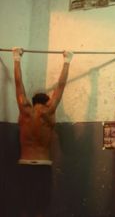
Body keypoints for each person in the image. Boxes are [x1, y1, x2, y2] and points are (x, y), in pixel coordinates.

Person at [12, 47, 73, 217]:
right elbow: (60, 87)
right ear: (47, 102)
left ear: (33, 101)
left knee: (24, 208)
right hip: (42, 166)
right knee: (40, 209)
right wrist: (67, 60)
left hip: (24, 164)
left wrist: (16, 58)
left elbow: (18, 85)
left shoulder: (24, 110)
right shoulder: (49, 112)